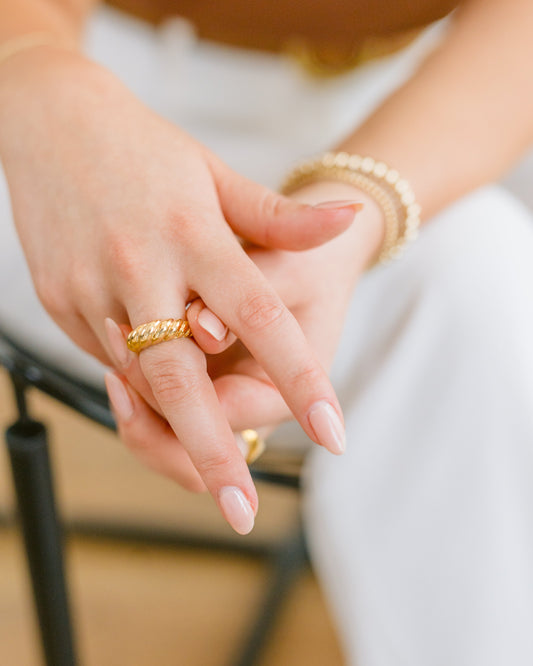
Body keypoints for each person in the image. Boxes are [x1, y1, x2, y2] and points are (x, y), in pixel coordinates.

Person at [0, 0, 533, 663]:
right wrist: (42, 85)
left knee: (479, 276)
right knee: (475, 286)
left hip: (448, 81)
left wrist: (361, 207)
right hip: (76, 94)